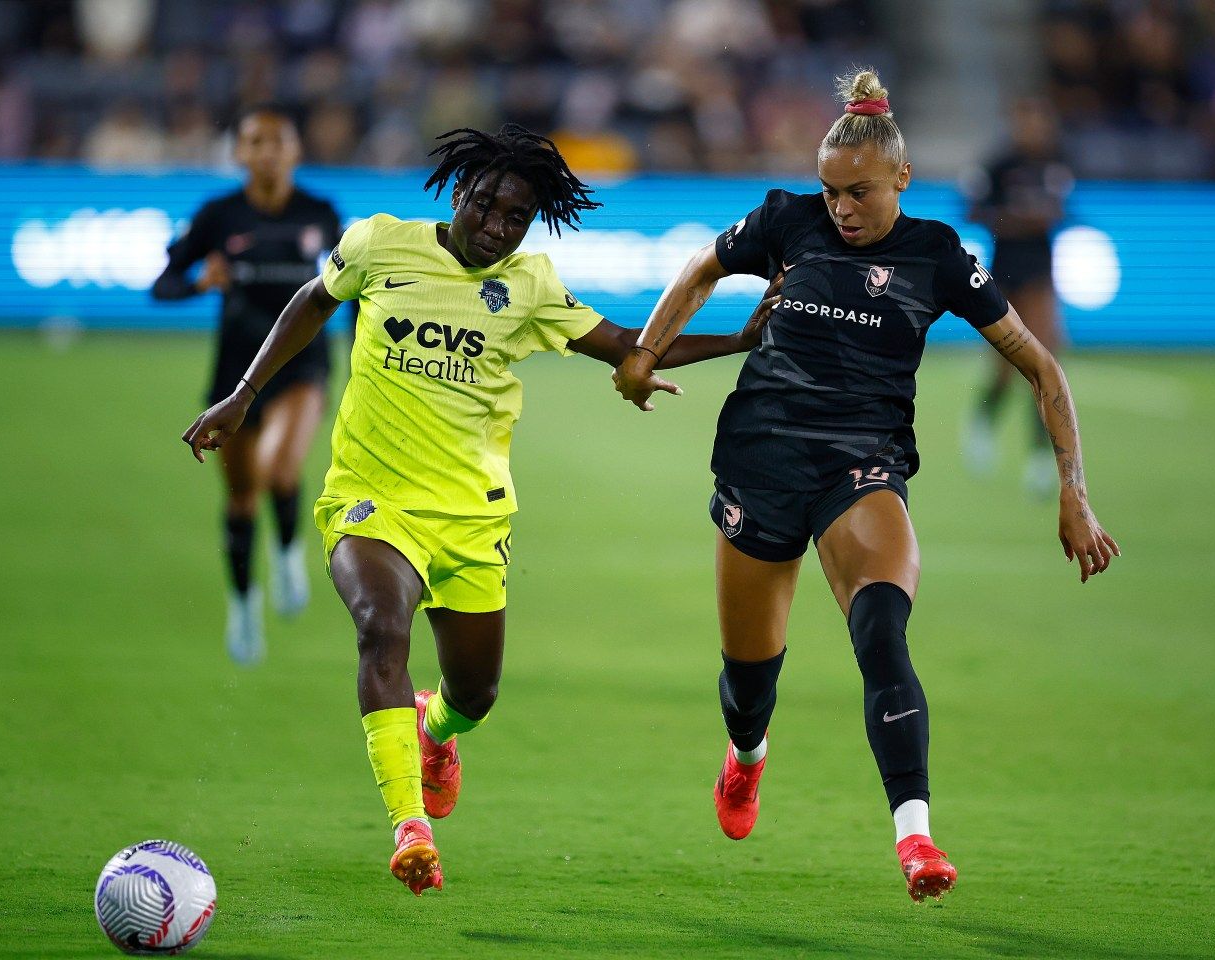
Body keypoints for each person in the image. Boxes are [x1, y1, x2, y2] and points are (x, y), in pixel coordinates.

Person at [181, 125, 776, 896]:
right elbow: (312, 301)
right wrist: (243, 394)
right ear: (458, 192)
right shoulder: (380, 244)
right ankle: (410, 830)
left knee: (474, 695)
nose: (497, 226)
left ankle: (437, 730)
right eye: (487, 205)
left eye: (516, 217)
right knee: (380, 627)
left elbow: (630, 344)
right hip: (372, 499)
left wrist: (738, 340)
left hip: (471, 518)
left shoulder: (529, 286)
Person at [613, 70, 1119, 902]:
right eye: (831, 192)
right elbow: (701, 269)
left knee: (882, 634)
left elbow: (1041, 365)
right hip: (761, 459)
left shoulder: (937, 256)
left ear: (902, 178)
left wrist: (1076, 490)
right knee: (749, 686)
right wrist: (643, 351)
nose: (842, 209)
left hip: (862, 465)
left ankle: (915, 838)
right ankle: (747, 756)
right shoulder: (786, 222)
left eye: (859, 193)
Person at [152, 104, 341, 664]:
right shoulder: (218, 215)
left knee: (278, 469)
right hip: (234, 369)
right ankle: (243, 604)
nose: (268, 152)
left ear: (296, 151)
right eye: (256, 141)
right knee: (240, 496)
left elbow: (352, 286)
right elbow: (162, 284)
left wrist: (364, 343)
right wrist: (197, 284)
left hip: (301, 365)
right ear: (239, 152)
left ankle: (286, 552)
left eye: (278, 141)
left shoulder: (321, 213)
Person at [961, 97, 1075, 498]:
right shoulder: (998, 165)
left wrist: (1034, 217)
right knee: (1006, 369)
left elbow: (1060, 211)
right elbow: (972, 212)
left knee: (1045, 365)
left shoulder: (1056, 163)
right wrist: (1015, 219)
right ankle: (983, 421)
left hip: (1040, 275)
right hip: (1006, 275)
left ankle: (1041, 458)